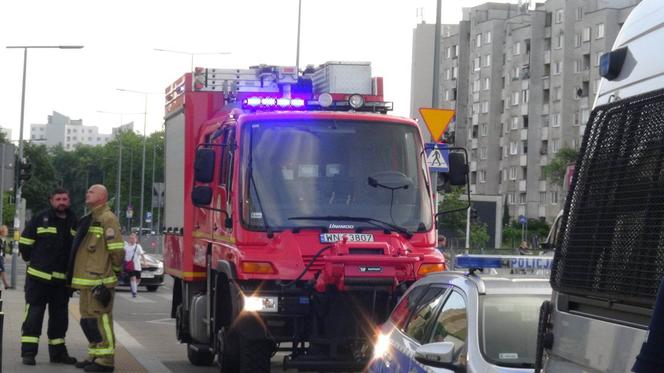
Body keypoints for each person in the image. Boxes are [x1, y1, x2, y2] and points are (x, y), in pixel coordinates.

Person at [18, 188, 78, 366]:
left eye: (64, 199)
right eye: (58, 199)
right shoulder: (40, 218)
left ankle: (58, 353)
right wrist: (33, 261)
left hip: (62, 283)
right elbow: (25, 243)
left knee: (60, 319)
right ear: (51, 200)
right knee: (34, 316)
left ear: (69, 201)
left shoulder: (74, 221)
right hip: (38, 280)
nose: (61, 202)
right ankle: (28, 353)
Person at [68, 185, 124, 372]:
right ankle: (95, 354)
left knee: (102, 320)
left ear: (102, 196)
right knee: (88, 320)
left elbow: (116, 250)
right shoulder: (92, 218)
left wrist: (115, 271)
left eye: (91, 192)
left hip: (100, 281)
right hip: (87, 280)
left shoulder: (108, 219)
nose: (87, 193)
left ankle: (106, 360)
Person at [124, 233, 145, 298]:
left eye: (133, 238)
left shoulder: (138, 246)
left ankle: (133, 286)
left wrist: (145, 262)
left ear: (136, 239)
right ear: (129, 239)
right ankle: (134, 292)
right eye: (130, 238)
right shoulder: (125, 246)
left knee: (138, 280)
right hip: (130, 266)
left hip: (137, 266)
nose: (132, 239)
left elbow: (142, 255)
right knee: (133, 278)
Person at [0, 225, 12, 289]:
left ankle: (5, 285)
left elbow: (3, 250)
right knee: (2, 270)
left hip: (1, 257)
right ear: (3, 232)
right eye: (6, 231)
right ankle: (6, 285)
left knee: (1, 271)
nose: (7, 233)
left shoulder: (3, 239)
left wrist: (4, 257)